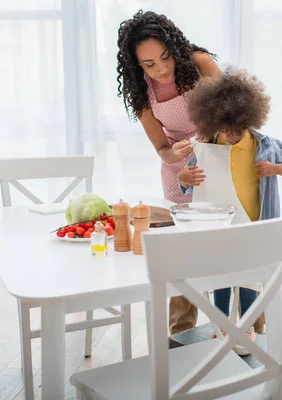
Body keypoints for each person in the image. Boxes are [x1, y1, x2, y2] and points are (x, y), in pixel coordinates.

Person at [177, 66, 282, 351]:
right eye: (223, 129)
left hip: (254, 225)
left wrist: (275, 168)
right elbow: (186, 179)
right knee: (220, 276)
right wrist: (183, 178)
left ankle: (245, 327)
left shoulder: (266, 145)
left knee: (249, 280)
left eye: (235, 129)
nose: (229, 135)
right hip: (217, 226)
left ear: (247, 119)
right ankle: (220, 326)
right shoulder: (207, 146)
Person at [116, 10, 221, 335]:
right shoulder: (141, 93)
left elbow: (232, 115)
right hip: (178, 168)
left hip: (217, 156)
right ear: (137, 65)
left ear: (174, 47)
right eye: (149, 64)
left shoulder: (200, 63)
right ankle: (180, 335)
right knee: (182, 253)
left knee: (225, 246)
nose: (161, 69)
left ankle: (243, 328)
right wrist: (171, 153)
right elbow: (161, 148)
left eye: (165, 58)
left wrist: (204, 141)